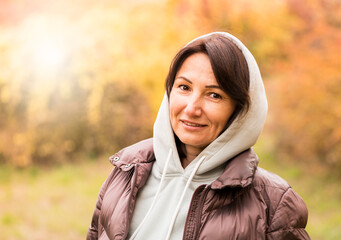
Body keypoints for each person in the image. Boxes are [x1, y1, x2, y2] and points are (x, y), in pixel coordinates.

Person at [87, 32, 310, 240]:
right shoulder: (127, 171)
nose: (192, 108)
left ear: (240, 110)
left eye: (214, 95)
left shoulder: (274, 204)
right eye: (184, 87)